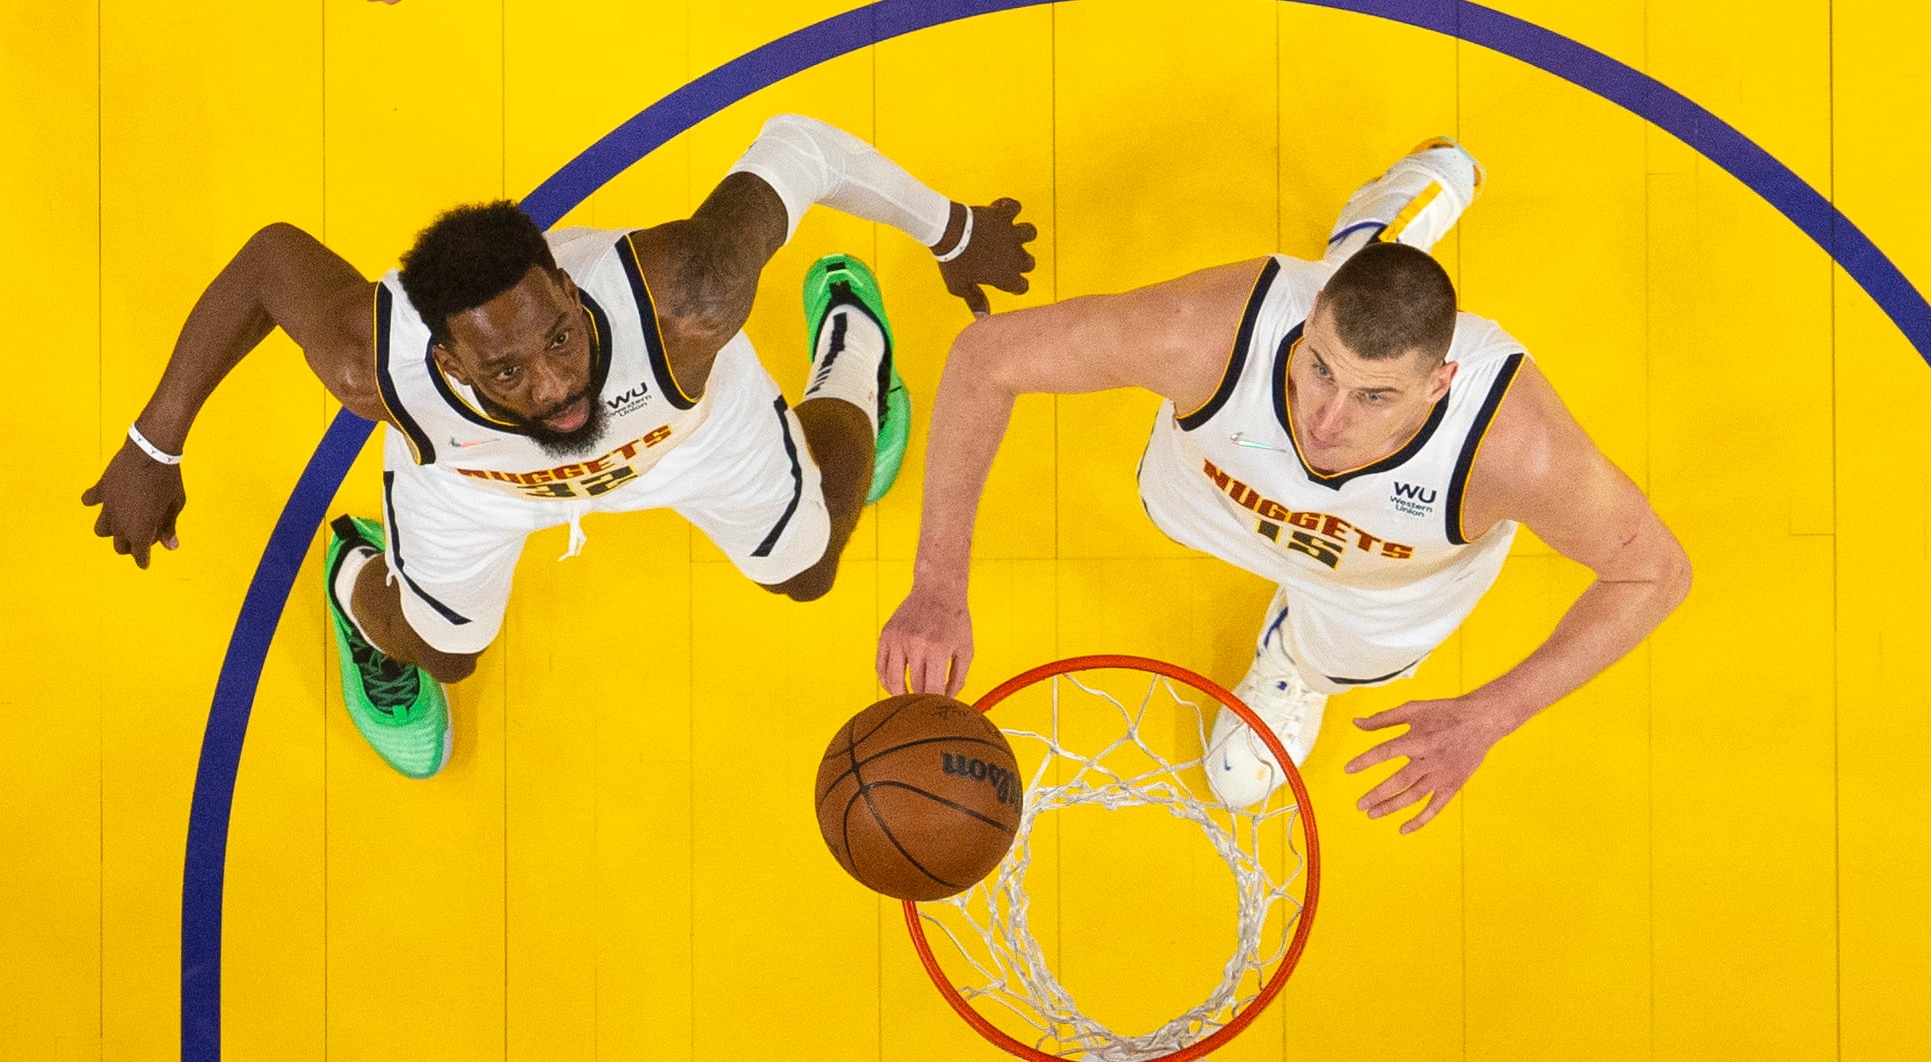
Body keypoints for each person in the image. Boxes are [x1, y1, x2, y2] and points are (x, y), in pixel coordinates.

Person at [84, 115, 1036, 777]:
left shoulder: (684, 295)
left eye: (559, 337)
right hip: (477, 486)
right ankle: (351, 577)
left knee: (809, 567)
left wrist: (950, 231)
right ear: (448, 359)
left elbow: (801, 147)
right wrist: (153, 443)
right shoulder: (369, 365)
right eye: (506, 373)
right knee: (443, 654)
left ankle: (851, 353)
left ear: (561, 280)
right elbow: (265, 263)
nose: (554, 386)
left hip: (685, 437)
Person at [876, 141, 1690, 832]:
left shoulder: (1515, 446)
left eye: (1375, 396)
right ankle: (1365, 241)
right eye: (1317, 369)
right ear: (1300, 332)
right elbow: (985, 358)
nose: (1326, 422)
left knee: (1339, 664)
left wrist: (1491, 714)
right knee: (1328, 298)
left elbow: (1654, 572)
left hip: (1386, 584)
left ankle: (1292, 666)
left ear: (1439, 385)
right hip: (1215, 499)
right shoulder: (1208, 332)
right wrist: (937, 583)